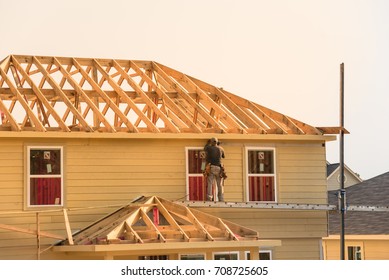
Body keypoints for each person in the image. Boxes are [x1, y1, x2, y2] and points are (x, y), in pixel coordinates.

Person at [204, 137, 225, 201]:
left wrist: (207, 143)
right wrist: (219, 146)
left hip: (212, 167)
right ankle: (221, 198)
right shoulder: (221, 149)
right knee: (219, 184)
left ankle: (209, 198)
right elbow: (223, 156)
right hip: (219, 168)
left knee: (210, 182)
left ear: (211, 142)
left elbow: (205, 148)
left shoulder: (209, 148)